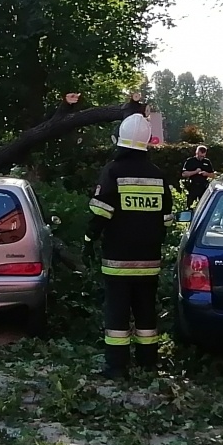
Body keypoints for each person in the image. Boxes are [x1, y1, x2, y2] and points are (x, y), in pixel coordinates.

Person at [86, 114, 173, 381]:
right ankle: (148, 364)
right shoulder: (158, 176)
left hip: (118, 261)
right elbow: (167, 219)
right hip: (149, 261)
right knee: (146, 312)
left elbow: (101, 211)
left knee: (117, 314)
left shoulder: (113, 171)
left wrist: (89, 240)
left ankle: (116, 367)